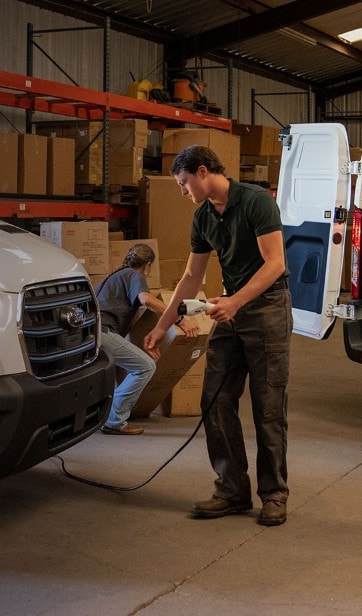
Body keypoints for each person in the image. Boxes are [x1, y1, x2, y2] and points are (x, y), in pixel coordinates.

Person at [143, 145, 293, 526]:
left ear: (203, 171)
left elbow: (275, 263)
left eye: (184, 183)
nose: (183, 191)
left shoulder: (256, 202)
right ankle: (231, 490)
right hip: (231, 310)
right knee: (215, 399)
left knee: (267, 405)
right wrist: (162, 327)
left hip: (266, 308)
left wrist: (236, 301)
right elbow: (191, 278)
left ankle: (274, 494)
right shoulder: (203, 217)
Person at [95, 243, 198, 435]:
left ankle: (105, 416)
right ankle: (114, 420)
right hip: (103, 332)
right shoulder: (135, 275)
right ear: (148, 265)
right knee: (145, 366)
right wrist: (179, 318)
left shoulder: (111, 278)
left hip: (88, 334)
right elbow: (146, 300)